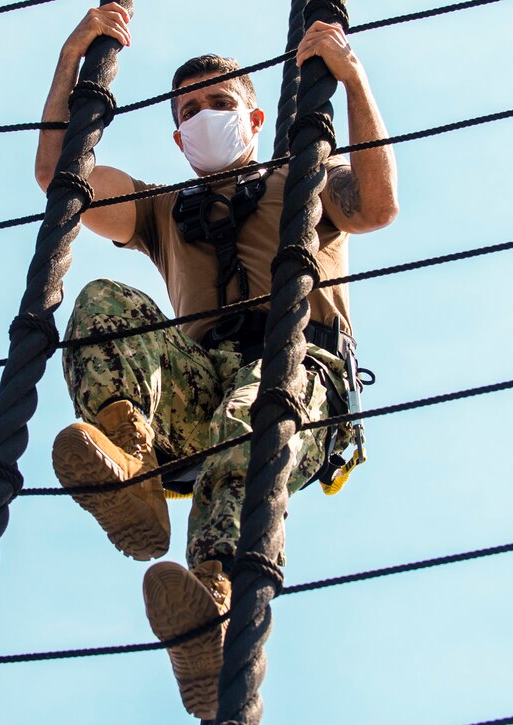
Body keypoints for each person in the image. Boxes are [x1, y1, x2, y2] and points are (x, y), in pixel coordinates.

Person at [34, 4, 398, 719]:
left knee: (251, 408)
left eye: (220, 104)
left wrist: (351, 80)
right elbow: (60, 178)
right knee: (102, 299)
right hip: (200, 389)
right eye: (191, 109)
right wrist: (72, 59)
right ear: (176, 134)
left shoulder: (305, 184)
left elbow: (379, 204)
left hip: (297, 381)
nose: (205, 116)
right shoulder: (165, 211)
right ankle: (129, 458)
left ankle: (213, 608)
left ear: (255, 120)